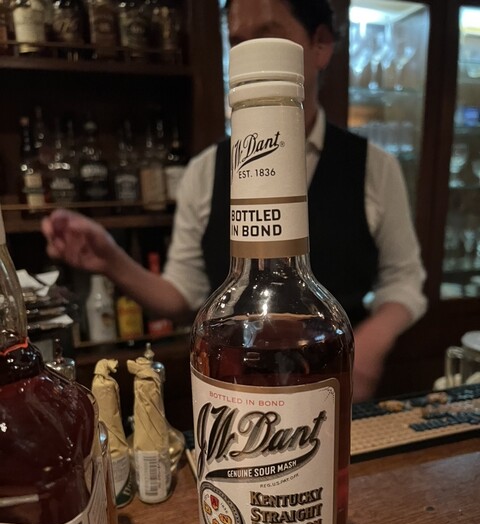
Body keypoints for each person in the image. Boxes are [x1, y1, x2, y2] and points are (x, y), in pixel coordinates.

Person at [41, 0, 427, 402]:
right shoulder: (205, 169)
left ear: (321, 45)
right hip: (237, 388)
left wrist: (366, 345)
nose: (248, 52)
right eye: (237, 41)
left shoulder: (374, 166)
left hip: (333, 385)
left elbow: (405, 281)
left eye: (267, 34)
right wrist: (109, 258)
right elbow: (183, 293)